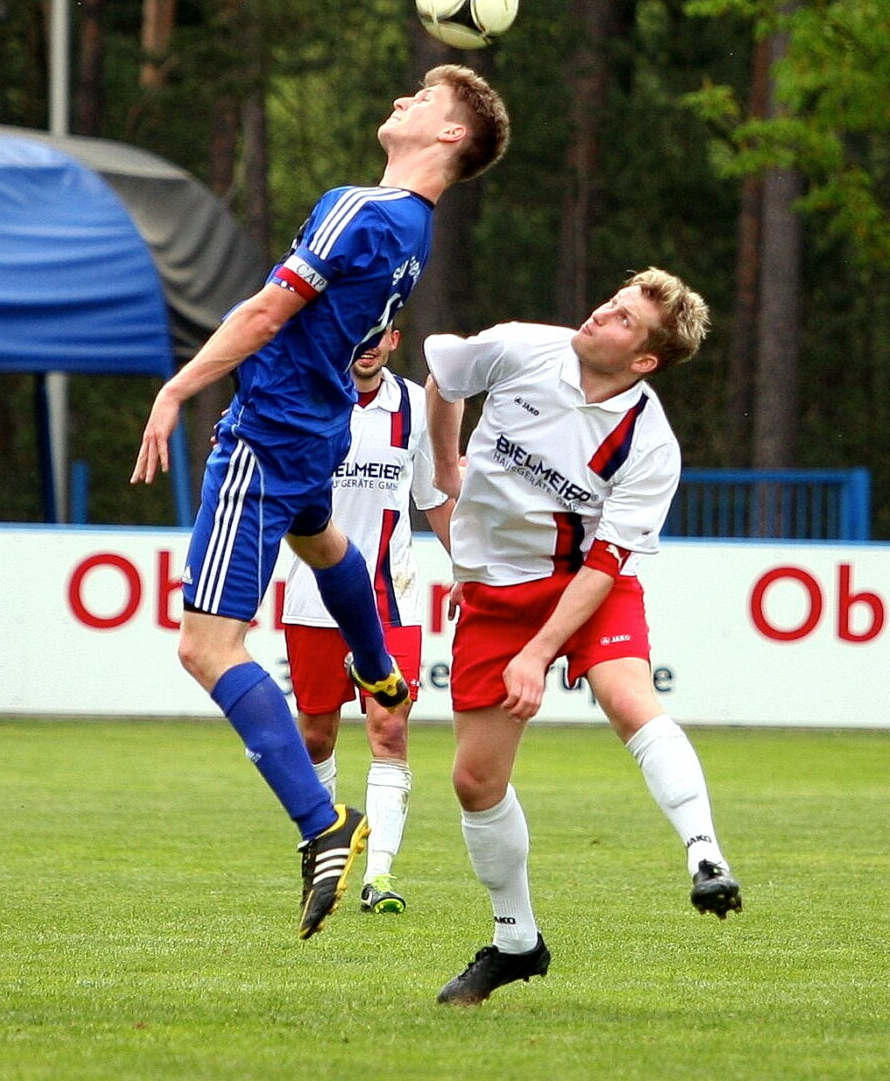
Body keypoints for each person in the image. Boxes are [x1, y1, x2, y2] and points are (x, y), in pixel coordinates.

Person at [130, 64, 510, 940]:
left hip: (265, 433)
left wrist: (178, 389)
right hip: (321, 429)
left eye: (425, 98)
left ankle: (322, 825)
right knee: (322, 538)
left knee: (205, 647)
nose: (403, 100)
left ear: (451, 136)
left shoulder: (362, 207)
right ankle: (377, 665)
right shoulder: (415, 228)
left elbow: (267, 310)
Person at [423, 267, 741, 1006]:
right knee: (475, 781)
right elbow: (446, 378)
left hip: (587, 589)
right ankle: (516, 943)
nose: (602, 314)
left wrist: (539, 654)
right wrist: (444, 467)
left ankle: (704, 855)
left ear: (645, 362)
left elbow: (606, 563)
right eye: (612, 302)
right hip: (496, 596)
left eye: (625, 320)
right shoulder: (520, 348)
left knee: (628, 696)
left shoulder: (649, 444)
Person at [282, 325, 453, 915]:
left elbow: (435, 498)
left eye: (379, 334)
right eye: (359, 330)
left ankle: (378, 876)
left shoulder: (414, 407)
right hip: (313, 597)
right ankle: (322, 856)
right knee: (314, 736)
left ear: (394, 339)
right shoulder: (305, 396)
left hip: (391, 599)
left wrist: (470, 570)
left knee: (391, 730)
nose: (368, 343)